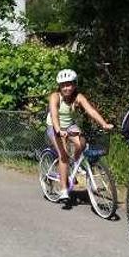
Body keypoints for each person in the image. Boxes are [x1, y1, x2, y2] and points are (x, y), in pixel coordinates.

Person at [46, 69, 114, 202]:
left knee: (81, 143)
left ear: (75, 84)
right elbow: (54, 115)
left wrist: (104, 124)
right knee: (63, 156)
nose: (66, 88)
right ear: (59, 86)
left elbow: (91, 111)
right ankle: (64, 189)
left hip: (69, 125)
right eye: (63, 85)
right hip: (55, 127)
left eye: (69, 84)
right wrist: (59, 130)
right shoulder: (55, 96)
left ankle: (74, 165)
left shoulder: (78, 97)